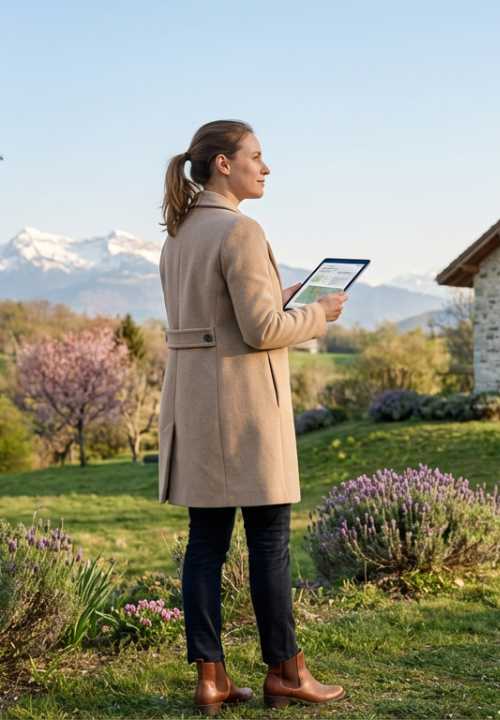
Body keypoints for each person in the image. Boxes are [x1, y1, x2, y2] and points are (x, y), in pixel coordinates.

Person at [158, 120, 347, 715]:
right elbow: (262, 331)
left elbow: (221, 317)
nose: (265, 169)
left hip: (192, 405)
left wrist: (278, 296)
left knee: (205, 544)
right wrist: (318, 313)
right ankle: (287, 672)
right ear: (222, 164)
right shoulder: (241, 230)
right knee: (269, 542)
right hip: (242, 412)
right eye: (256, 157)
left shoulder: (178, 234)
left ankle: (211, 679)